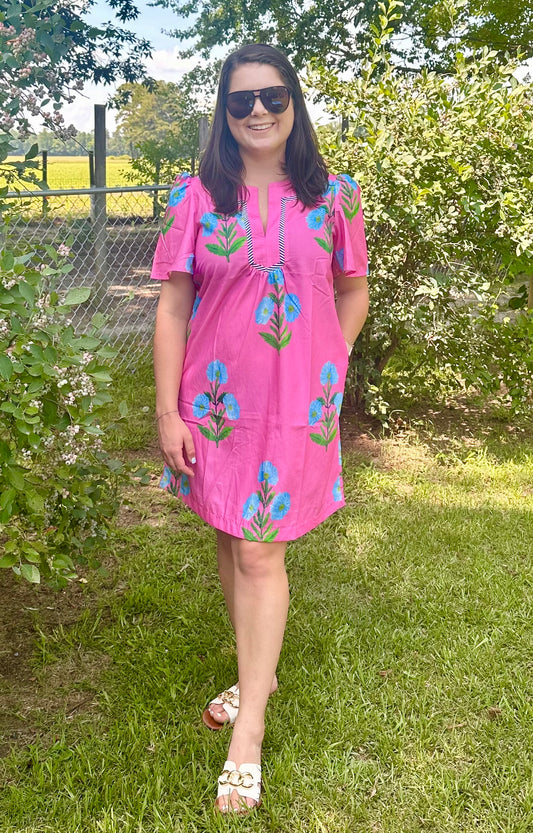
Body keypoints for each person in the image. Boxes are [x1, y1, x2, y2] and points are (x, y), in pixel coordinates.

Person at [150, 42, 369, 814]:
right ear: (223, 111)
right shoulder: (195, 196)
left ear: (293, 104)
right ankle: (258, 673)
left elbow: (352, 288)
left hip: (297, 405)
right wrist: (168, 410)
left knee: (257, 547)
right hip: (215, 402)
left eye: (272, 96)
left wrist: (332, 362)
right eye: (240, 99)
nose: (257, 111)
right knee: (228, 529)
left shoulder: (335, 197)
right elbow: (173, 306)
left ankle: (249, 729)